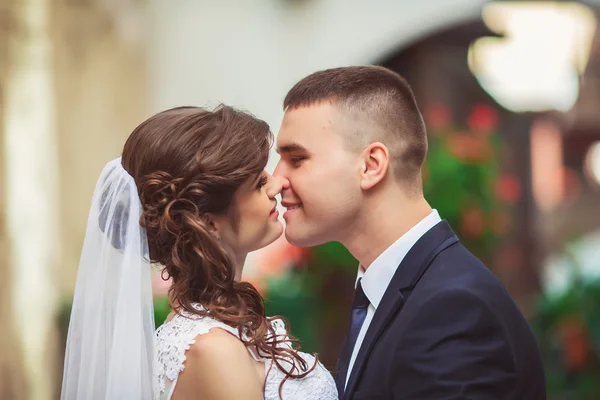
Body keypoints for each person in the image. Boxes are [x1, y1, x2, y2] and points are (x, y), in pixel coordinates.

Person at [273, 65, 546, 399]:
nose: (275, 179)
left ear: (371, 165)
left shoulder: (453, 308)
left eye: (297, 159)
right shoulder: (392, 290)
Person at [60, 105, 337, 400]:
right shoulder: (214, 351)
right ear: (207, 222)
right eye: (258, 184)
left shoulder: (215, 330)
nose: (277, 185)